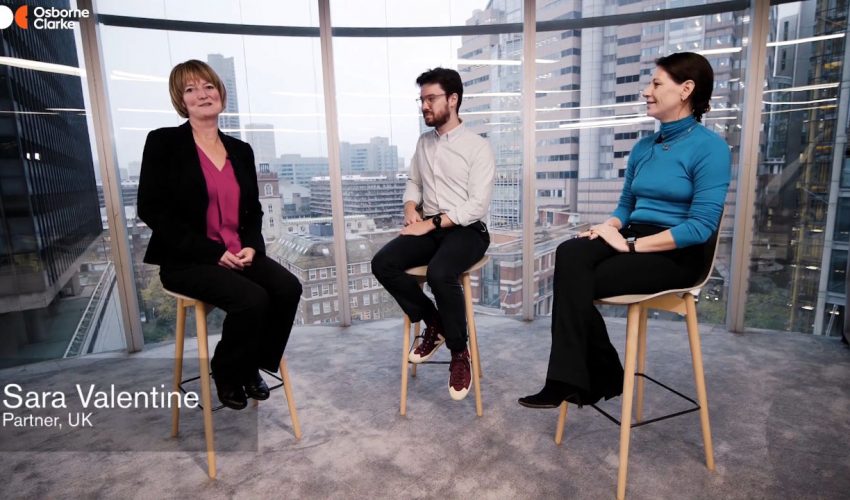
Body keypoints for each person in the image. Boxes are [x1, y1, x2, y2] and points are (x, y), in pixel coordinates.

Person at [519, 52, 731, 409]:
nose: (646, 91)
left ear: (686, 90)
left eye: (656, 84)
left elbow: (700, 227)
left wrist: (630, 246)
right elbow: (625, 206)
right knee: (570, 252)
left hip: (678, 252)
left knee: (576, 282)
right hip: (633, 233)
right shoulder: (643, 148)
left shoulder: (711, 149)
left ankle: (579, 378)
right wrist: (608, 227)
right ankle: (593, 374)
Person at [137, 60, 302, 410]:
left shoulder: (240, 151)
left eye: (208, 86)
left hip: (237, 253)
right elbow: (151, 209)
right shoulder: (164, 142)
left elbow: (253, 211)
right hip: (188, 259)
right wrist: (211, 252)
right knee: (253, 299)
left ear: (221, 94)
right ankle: (226, 371)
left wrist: (252, 247)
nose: (202, 94)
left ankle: (251, 364)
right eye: (191, 89)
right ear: (181, 100)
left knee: (288, 288)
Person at [371, 67, 495, 401]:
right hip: (429, 227)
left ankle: (459, 353)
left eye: (430, 98)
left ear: (452, 100)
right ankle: (434, 323)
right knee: (382, 263)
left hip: (468, 230)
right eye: (421, 100)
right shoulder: (423, 143)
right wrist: (410, 206)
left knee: (441, 273)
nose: (424, 106)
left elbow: (477, 205)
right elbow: (414, 181)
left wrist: (430, 223)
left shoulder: (478, 147)